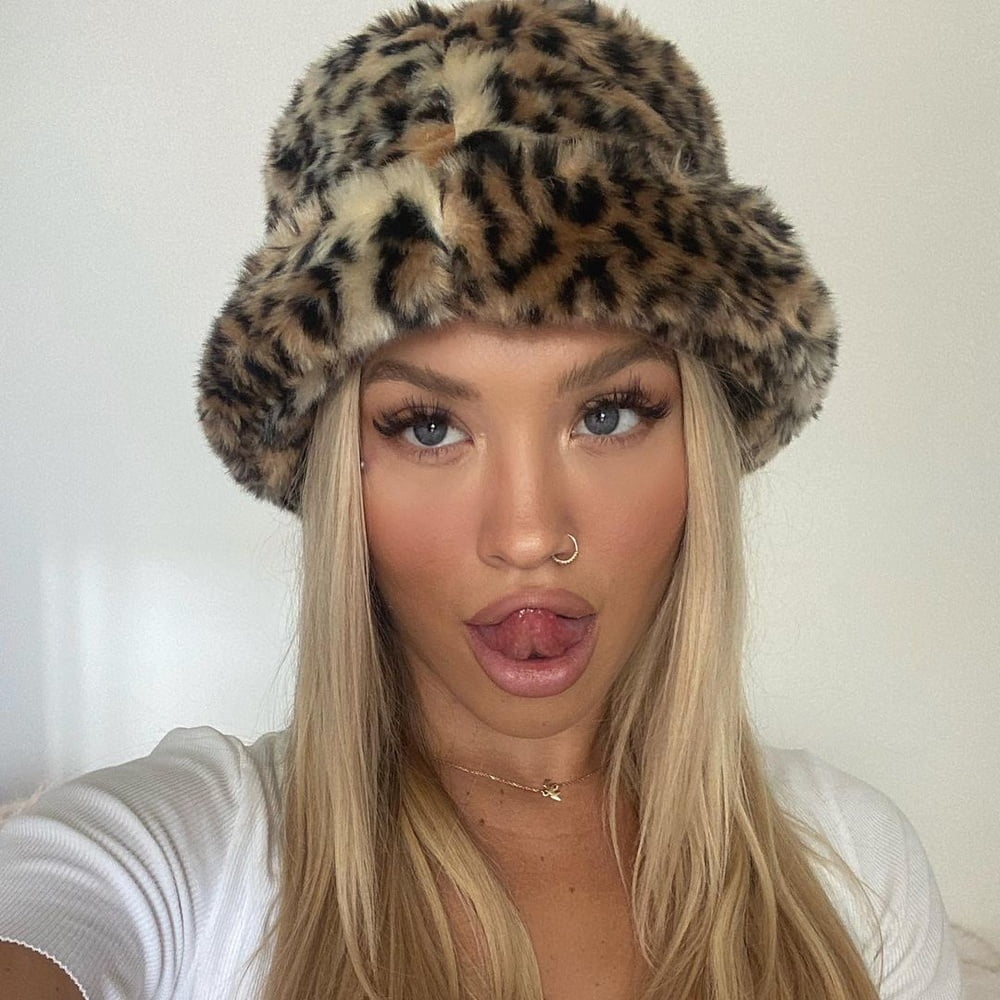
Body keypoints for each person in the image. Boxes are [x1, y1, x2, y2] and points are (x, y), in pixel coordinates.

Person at [0, 0, 963, 997]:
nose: (530, 534)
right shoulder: (189, 852)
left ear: (699, 448)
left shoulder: (852, 867)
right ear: (340, 477)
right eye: (428, 427)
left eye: (609, 414)